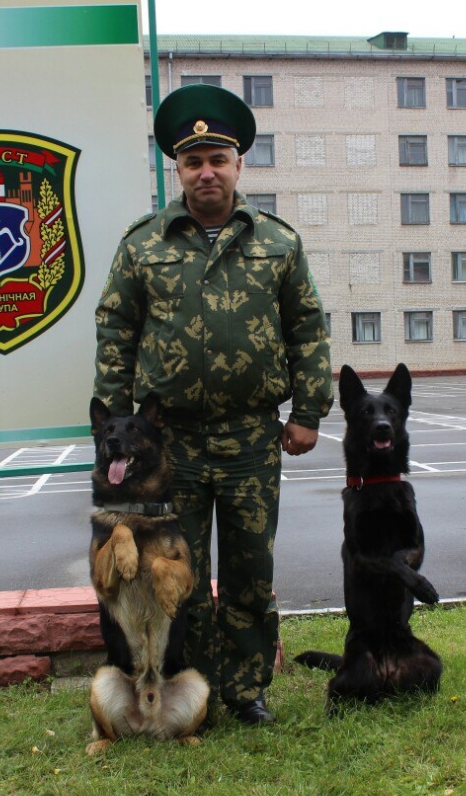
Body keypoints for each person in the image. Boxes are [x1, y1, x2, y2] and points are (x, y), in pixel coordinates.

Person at [93, 84, 333, 725]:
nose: (206, 172)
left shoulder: (277, 242)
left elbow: (307, 327)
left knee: (252, 571)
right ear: (177, 169)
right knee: (177, 572)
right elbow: (116, 329)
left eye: (217, 160)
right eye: (193, 161)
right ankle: (191, 689)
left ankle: (247, 690)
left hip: (252, 438)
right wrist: (115, 431)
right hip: (169, 445)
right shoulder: (143, 244)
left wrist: (308, 412)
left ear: (238, 165)